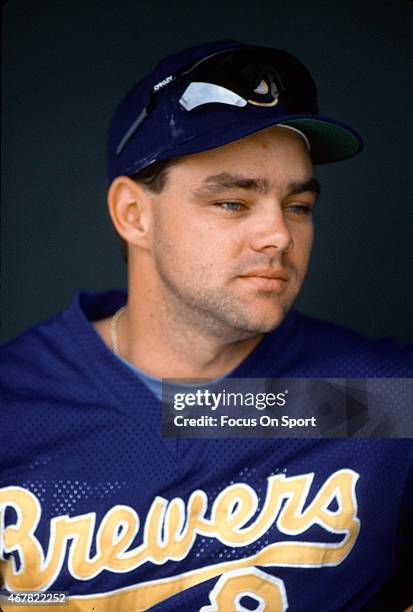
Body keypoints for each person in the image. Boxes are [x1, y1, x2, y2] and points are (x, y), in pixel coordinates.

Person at [0, 40, 412, 612]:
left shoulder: (382, 398)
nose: (279, 236)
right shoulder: (17, 407)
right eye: (232, 203)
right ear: (133, 214)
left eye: (298, 206)